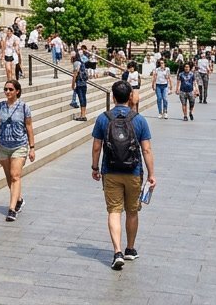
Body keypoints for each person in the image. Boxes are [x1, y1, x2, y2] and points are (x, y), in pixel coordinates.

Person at [91, 80, 155, 271]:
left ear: (112, 96)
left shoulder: (103, 118)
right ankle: (130, 249)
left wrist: (95, 167)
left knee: (114, 211)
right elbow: (147, 149)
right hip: (133, 171)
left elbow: (96, 146)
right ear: (130, 97)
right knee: (132, 211)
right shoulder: (139, 119)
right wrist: (152, 174)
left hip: (110, 171)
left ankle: (117, 251)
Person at [0, 79, 36, 222]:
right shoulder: (0, 107)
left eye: (10, 89)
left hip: (20, 146)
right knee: (9, 177)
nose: (7, 92)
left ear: (17, 91)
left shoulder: (24, 107)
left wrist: (32, 147)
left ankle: (12, 209)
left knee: (15, 176)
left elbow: (29, 127)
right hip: (4, 146)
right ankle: (18, 199)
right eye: (5, 89)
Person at [71, 49, 89, 120]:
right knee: (83, 98)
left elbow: (75, 74)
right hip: (84, 83)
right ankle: (83, 114)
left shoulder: (76, 63)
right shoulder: (81, 62)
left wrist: (73, 84)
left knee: (81, 98)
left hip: (79, 83)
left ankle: (83, 115)